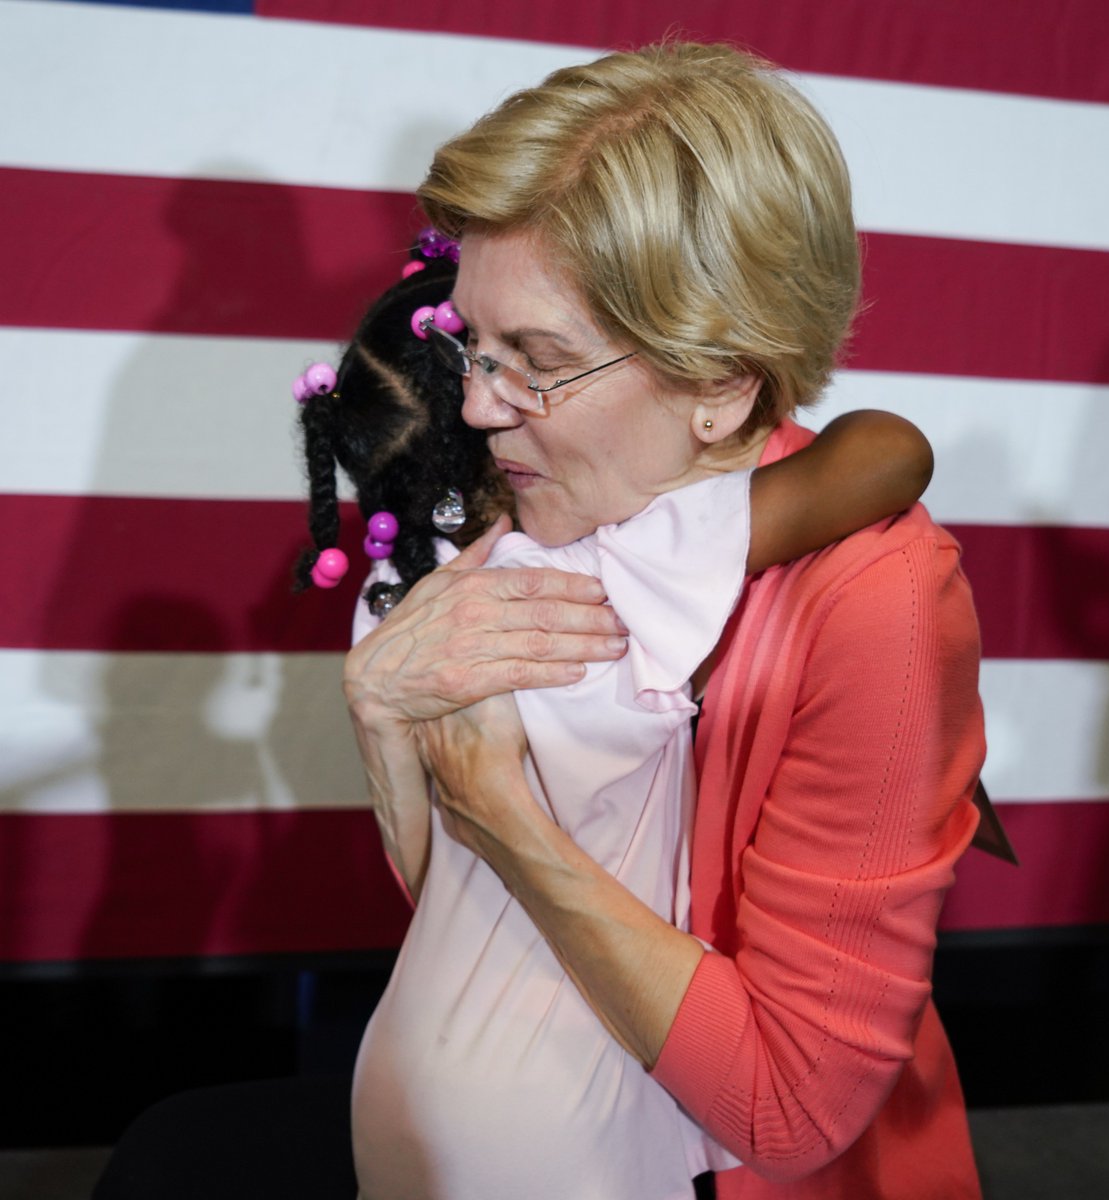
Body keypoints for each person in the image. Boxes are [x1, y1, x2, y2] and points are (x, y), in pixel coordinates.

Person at [344, 40, 986, 1200]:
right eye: (474, 349)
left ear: (720, 384)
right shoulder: (538, 509)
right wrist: (389, 724)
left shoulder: (871, 593)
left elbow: (789, 1111)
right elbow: (467, 911)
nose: (483, 408)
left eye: (537, 362)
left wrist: (502, 812)